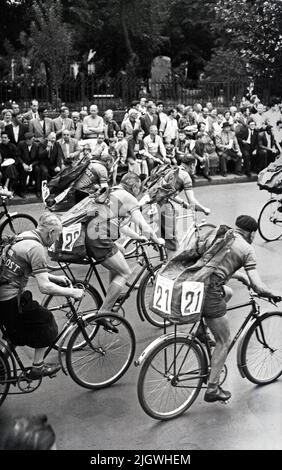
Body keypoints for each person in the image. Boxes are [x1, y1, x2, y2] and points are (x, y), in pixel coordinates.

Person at [203, 215, 281, 403]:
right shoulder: (246, 249)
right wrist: (271, 293)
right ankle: (212, 388)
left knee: (227, 293)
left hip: (194, 284)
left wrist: (240, 277)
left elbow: (218, 264)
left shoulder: (220, 234)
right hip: (210, 291)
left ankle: (201, 330)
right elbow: (258, 286)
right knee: (224, 340)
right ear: (252, 233)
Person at [0, 212, 84, 379]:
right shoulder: (37, 248)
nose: (56, 241)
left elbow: (24, 267)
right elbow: (44, 287)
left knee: (19, 326)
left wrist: (54, 277)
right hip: (9, 300)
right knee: (45, 320)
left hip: (3, 293)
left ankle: (2, 364)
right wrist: (73, 292)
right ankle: (38, 366)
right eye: (57, 236)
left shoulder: (24, 236)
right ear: (50, 232)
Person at [85, 172, 164, 328]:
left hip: (91, 236)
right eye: (139, 188)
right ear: (134, 186)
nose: (139, 191)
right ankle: (103, 313)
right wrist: (156, 239)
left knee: (119, 251)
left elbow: (122, 226)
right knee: (125, 273)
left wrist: (137, 237)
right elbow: (144, 225)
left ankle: (112, 295)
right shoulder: (129, 198)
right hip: (101, 239)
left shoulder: (111, 191)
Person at [157, 154, 210, 259]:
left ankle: (164, 260)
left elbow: (170, 194)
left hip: (156, 204)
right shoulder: (186, 176)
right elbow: (192, 202)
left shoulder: (173, 170)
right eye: (195, 165)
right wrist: (204, 209)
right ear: (192, 165)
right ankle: (169, 271)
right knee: (173, 246)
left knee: (167, 239)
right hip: (165, 208)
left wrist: (183, 204)